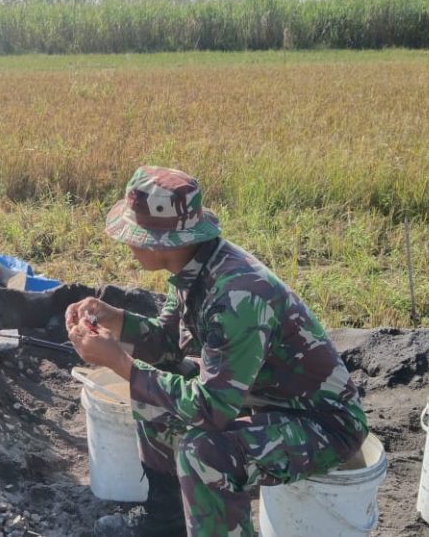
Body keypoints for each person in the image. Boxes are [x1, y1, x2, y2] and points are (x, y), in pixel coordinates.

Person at [65, 166, 368, 536]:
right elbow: (165, 344)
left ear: (167, 241)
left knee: (206, 452)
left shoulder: (236, 296)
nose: (128, 242)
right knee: (158, 393)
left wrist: (121, 363)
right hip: (264, 398)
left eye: (138, 235)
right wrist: (117, 321)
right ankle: (166, 523)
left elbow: (211, 409)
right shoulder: (196, 265)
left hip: (323, 423)